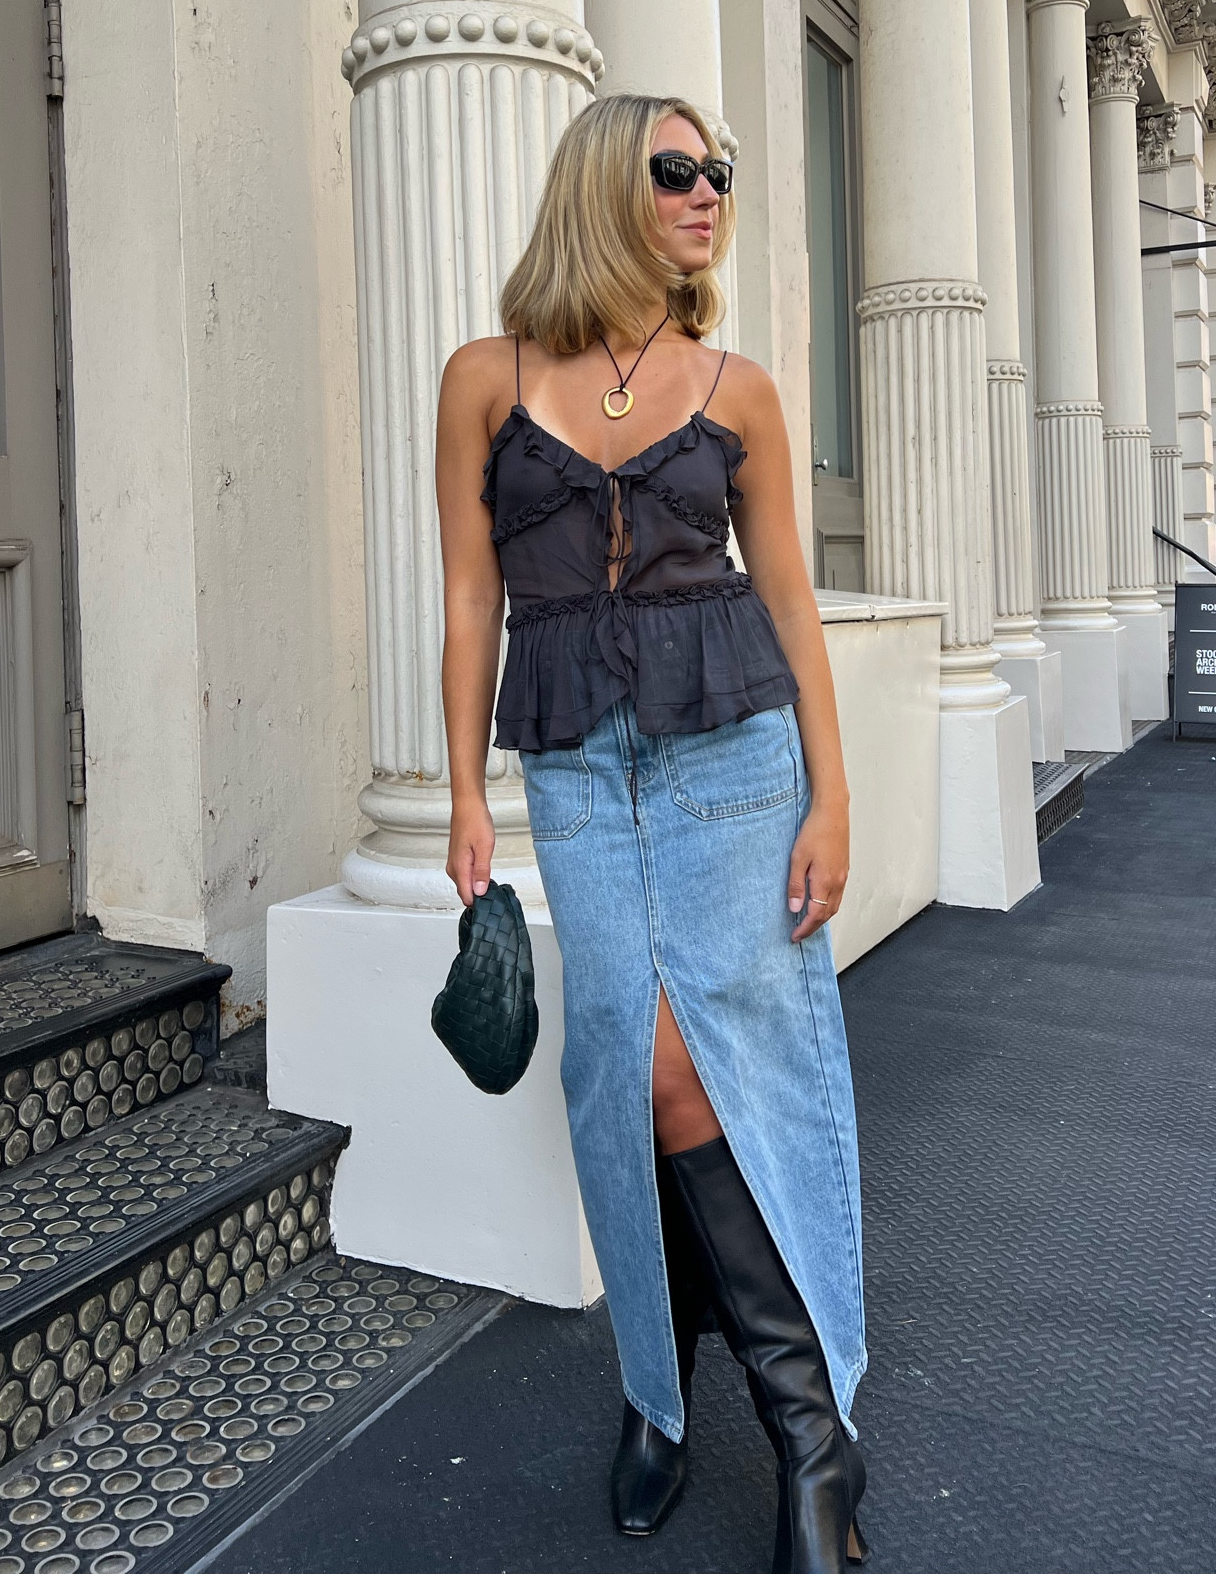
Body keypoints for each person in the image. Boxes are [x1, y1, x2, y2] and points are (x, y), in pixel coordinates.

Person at [435, 94, 868, 1571]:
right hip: (574, 770)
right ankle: (658, 1389)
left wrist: (834, 790)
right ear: (606, 188)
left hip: (731, 757)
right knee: (621, 1056)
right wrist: (460, 796)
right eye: (677, 169)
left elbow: (794, 599)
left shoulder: (735, 387)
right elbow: (470, 600)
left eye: (719, 174)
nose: (706, 193)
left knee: (715, 1056)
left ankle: (810, 1439)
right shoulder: (485, 380)